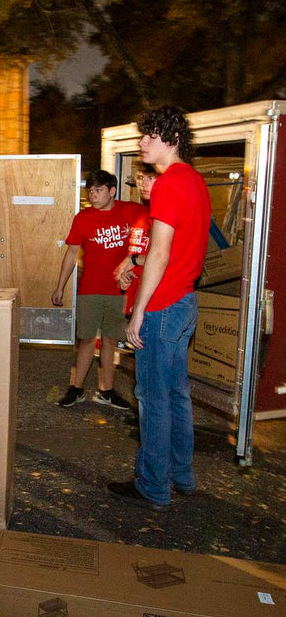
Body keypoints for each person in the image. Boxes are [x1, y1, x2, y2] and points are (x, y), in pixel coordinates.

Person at [107, 106, 211, 512]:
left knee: (152, 397)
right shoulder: (195, 182)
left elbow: (160, 252)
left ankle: (153, 485)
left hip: (164, 305)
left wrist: (138, 312)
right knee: (177, 394)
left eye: (149, 136)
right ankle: (181, 475)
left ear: (170, 139)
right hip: (186, 302)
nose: (142, 144)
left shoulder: (168, 185)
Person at [51, 169, 138, 409]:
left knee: (110, 341)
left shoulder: (130, 211)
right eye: (90, 190)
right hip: (90, 289)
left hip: (119, 291)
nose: (93, 195)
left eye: (98, 190)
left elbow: (158, 222)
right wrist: (60, 287)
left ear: (112, 191)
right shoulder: (83, 218)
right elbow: (70, 254)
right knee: (86, 340)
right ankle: (76, 389)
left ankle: (106, 391)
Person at [113, 163, 158, 312]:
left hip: (154, 301)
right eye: (140, 178)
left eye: (150, 178)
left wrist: (132, 259)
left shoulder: (163, 217)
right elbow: (138, 252)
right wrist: (126, 274)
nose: (143, 184)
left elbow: (163, 260)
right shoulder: (142, 214)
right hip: (135, 296)